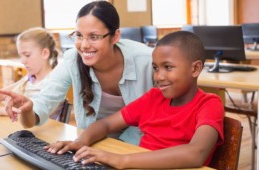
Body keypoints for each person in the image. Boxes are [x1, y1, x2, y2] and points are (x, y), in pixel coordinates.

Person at [44, 31, 225, 169]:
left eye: (168, 67)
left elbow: (196, 153)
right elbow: (106, 125)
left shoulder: (209, 104)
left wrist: (122, 160)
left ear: (195, 69)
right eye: (155, 68)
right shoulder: (153, 97)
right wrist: (80, 142)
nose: (159, 77)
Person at [0, 1, 153, 145]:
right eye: (79, 35)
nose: (84, 45)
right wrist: (27, 109)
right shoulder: (72, 60)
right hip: (94, 143)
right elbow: (36, 114)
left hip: (141, 145)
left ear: (115, 36)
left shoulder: (147, 60)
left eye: (94, 37)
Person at [0, 27, 60, 116]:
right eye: (21, 56)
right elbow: (1, 93)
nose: (23, 61)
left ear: (45, 53)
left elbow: (32, 114)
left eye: (27, 55)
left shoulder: (54, 84)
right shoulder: (30, 78)